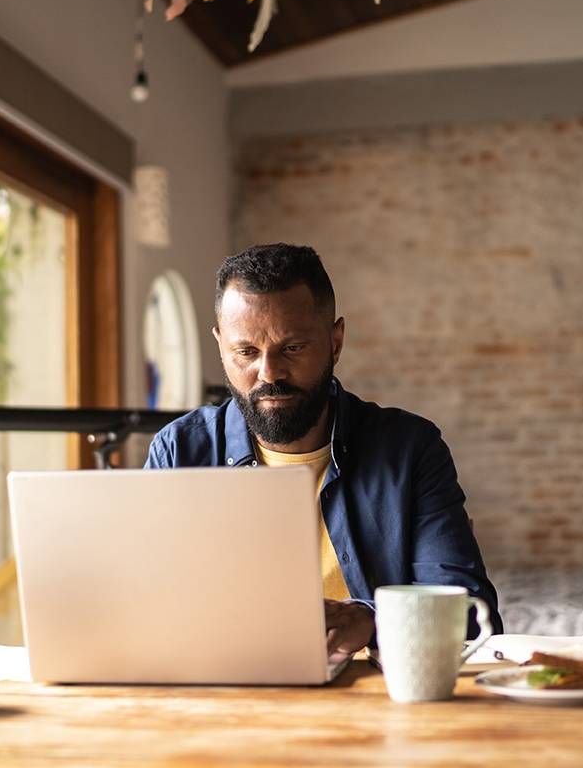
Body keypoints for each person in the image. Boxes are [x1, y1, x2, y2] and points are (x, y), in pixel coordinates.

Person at [145, 243, 502, 663]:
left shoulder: (410, 449)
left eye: (292, 348)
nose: (269, 372)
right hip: (227, 692)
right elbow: (147, 608)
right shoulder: (179, 450)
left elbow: (472, 618)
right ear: (221, 345)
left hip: (374, 698)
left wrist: (368, 621)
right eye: (246, 352)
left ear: (335, 342)